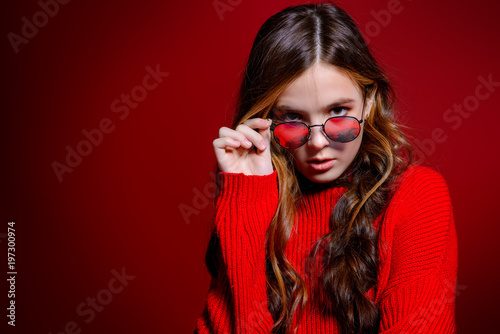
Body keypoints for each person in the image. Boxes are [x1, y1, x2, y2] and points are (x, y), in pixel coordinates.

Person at [194, 2, 458, 333]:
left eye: (337, 111)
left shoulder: (417, 196)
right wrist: (244, 203)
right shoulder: (251, 205)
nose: (318, 143)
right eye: (292, 117)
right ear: (265, 119)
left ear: (369, 100)